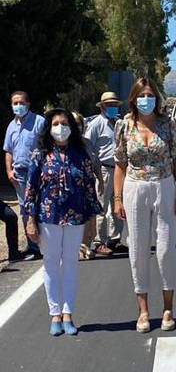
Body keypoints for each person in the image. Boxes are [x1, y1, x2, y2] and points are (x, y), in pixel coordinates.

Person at [113, 78, 176, 333]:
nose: (146, 99)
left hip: (163, 185)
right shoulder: (124, 126)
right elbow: (120, 164)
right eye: (142, 95)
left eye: (150, 95)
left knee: (165, 249)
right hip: (135, 187)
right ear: (134, 99)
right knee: (138, 249)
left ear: (157, 98)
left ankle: (168, 308)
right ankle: (143, 311)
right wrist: (117, 197)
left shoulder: (169, 125)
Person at [24, 109, 102, 336]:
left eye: (64, 123)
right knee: (50, 263)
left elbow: (89, 189)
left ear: (72, 127)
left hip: (76, 216)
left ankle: (68, 313)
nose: (60, 128)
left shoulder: (81, 155)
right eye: (56, 124)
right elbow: (31, 190)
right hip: (48, 217)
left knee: (70, 264)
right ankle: (54, 313)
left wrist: (91, 221)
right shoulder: (40, 155)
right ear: (49, 128)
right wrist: (29, 220)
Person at [3, 90, 45, 260]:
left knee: (41, 205)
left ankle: (46, 243)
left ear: (28, 104)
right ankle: (33, 246)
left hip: (38, 171)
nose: (18, 106)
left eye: (21, 103)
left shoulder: (39, 122)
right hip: (19, 173)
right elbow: (8, 151)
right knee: (25, 208)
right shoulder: (11, 126)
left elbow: (47, 145)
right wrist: (8, 170)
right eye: (15, 103)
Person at [84, 92, 126, 257]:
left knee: (119, 205)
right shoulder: (95, 125)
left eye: (114, 105)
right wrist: (95, 170)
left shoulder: (119, 123)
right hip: (104, 169)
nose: (112, 108)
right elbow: (88, 147)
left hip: (120, 169)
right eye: (109, 105)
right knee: (101, 207)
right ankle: (98, 242)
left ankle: (115, 239)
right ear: (102, 106)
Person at [73, 112, 104, 261]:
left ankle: (85, 246)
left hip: (87, 186)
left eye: (79, 124)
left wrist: (101, 180)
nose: (76, 127)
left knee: (89, 219)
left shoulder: (87, 143)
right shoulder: (61, 144)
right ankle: (76, 248)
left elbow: (95, 162)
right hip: (70, 188)